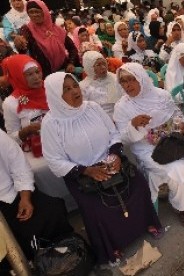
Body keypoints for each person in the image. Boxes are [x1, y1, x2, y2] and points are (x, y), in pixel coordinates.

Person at [41, 72, 163, 265]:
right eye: (66, 89)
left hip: (109, 160)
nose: (75, 91)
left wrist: (115, 154)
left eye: (75, 85)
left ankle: (146, 224)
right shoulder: (51, 124)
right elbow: (54, 160)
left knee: (138, 184)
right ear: (56, 96)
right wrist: (86, 170)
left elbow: (113, 133)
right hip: (82, 173)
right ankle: (111, 247)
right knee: (96, 208)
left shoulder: (93, 108)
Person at [113, 62, 184, 228]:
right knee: (173, 168)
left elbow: (176, 113)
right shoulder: (122, 107)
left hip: (172, 140)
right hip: (146, 148)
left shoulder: (161, 95)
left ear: (142, 79)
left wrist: (181, 124)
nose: (127, 85)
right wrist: (133, 126)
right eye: (123, 81)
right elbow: (122, 139)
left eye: (132, 79)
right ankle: (180, 207)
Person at [0, 129, 73, 260]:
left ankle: (66, 258)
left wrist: (25, 198)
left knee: (52, 212)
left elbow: (19, 166)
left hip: (13, 192)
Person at [13, 0, 79, 78]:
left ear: (44, 11)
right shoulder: (27, 30)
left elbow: (72, 48)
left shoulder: (57, 30)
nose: (34, 15)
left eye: (37, 11)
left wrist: (71, 63)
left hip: (63, 70)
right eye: (31, 12)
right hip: (44, 75)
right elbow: (23, 50)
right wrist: (19, 44)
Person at [80, 51, 123, 118]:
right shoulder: (84, 86)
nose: (103, 67)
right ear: (90, 67)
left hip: (118, 115)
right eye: (98, 65)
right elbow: (83, 109)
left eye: (104, 63)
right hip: (96, 119)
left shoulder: (115, 79)